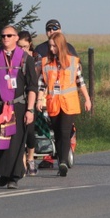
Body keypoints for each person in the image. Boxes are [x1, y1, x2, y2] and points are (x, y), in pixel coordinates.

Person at [0, 25, 38, 189]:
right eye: (3, 35)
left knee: (15, 144)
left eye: (9, 35)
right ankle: (4, 172)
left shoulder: (25, 58)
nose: (5, 38)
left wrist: (30, 109)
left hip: (18, 106)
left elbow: (32, 87)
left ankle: (14, 176)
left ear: (16, 38)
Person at [37, 32, 91, 177]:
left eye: (54, 46)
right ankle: (61, 159)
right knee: (57, 133)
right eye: (50, 46)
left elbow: (81, 82)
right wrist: (39, 99)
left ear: (60, 46)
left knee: (65, 131)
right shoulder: (46, 63)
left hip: (69, 102)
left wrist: (87, 99)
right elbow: (42, 84)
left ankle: (62, 162)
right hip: (53, 103)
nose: (52, 48)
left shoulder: (73, 62)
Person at [17, 31, 39, 175]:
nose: (22, 50)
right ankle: (22, 161)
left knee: (29, 131)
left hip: (31, 98)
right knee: (19, 133)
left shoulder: (36, 58)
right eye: (20, 47)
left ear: (30, 44)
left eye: (25, 46)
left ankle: (30, 158)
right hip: (18, 99)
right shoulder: (14, 59)